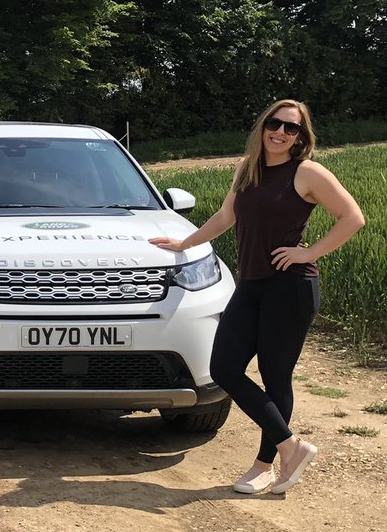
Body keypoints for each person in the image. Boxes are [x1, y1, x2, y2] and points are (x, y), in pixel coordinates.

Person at [150, 99, 364, 494]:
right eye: (275, 123)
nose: (281, 132)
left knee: (275, 376)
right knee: (224, 368)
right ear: (263, 125)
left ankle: (266, 464)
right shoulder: (248, 169)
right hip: (251, 286)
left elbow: (353, 217)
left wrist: (309, 252)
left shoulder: (307, 172)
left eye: (291, 128)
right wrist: (185, 242)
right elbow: (225, 217)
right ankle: (290, 446)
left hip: (290, 287)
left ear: (301, 136)